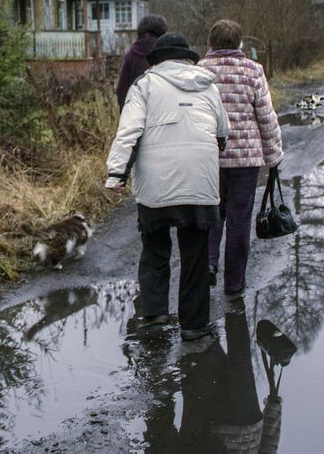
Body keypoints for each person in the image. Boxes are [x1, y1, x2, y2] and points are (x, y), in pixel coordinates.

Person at [105, 32, 230, 341]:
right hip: (199, 181)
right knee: (195, 255)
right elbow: (222, 132)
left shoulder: (144, 85)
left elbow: (128, 131)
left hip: (156, 184)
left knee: (155, 248)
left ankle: (154, 314)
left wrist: (117, 173)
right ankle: (194, 325)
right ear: (187, 57)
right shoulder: (208, 85)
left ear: (157, 60)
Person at [198, 20, 283, 298]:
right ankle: (234, 284)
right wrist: (273, 157)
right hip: (246, 160)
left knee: (211, 213)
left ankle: (209, 263)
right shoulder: (253, 70)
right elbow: (266, 117)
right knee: (239, 220)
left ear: (211, 42)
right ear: (240, 43)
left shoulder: (200, 71)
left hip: (209, 157)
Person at [115, 13, 167, 110]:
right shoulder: (167, 52)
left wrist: (126, 112)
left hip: (137, 108)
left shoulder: (132, 54)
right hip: (162, 109)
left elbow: (122, 90)